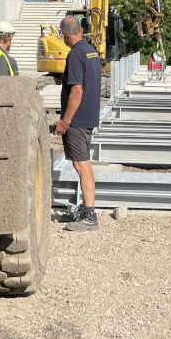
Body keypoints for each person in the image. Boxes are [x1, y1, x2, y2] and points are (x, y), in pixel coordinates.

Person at [55, 15, 101, 232]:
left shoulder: (75, 55)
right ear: (81, 31)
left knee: (82, 165)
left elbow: (77, 91)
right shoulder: (91, 51)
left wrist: (65, 122)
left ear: (63, 35)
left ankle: (90, 216)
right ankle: (87, 208)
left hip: (77, 119)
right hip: (88, 116)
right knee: (81, 163)